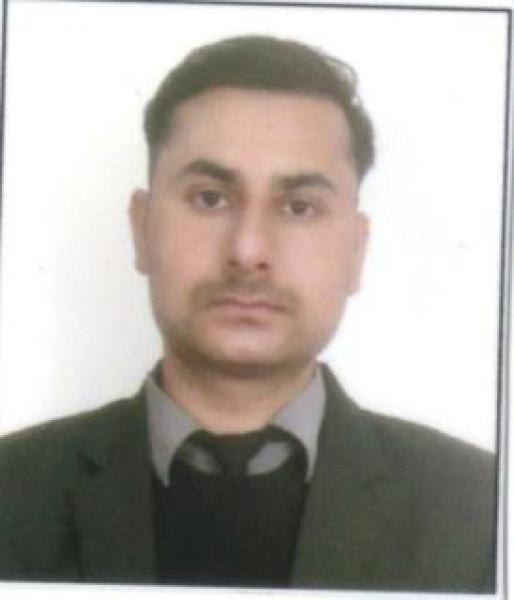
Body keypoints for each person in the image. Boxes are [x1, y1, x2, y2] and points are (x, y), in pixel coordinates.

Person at [0, 35, 496, 592]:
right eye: (210, 198)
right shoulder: (10, 492)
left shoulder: (481, 513)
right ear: (142, 228)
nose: (248, 251)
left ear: (356, 251)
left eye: (299, 207)